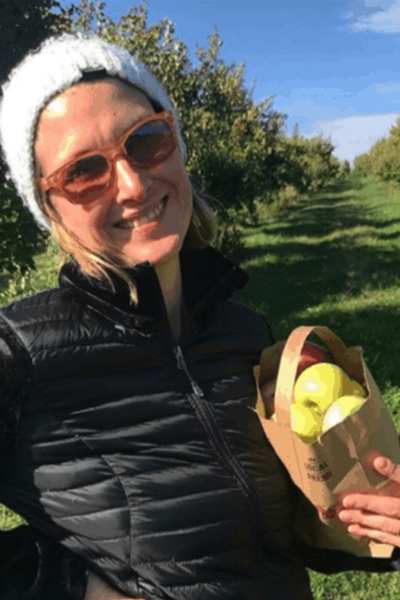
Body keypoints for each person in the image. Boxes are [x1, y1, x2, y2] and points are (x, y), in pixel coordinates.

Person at [0, 33, 399, 600]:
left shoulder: (243, 334)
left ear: (177, 142)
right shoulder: (19, 352)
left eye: (146, 141)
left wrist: (370, 520)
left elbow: (272, 536)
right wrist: (74, 587)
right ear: (50, 207)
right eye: (84, 172)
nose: (133, 185)